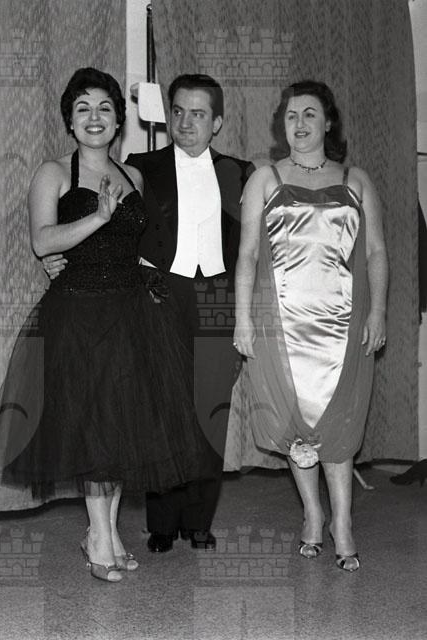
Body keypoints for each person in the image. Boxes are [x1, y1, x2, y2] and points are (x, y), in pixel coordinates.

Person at [0, 68, 213, 583]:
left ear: (118, 121)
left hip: (130, 315)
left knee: (119, 429)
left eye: (105, 108)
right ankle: (101, 539)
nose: (94, 117)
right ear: (69, 120)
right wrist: (97, 219)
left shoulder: (133, 177)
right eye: (83, 108)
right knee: (93, 429)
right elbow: (43, 241)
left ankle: (103, 534)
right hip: (78, 315)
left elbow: (138, 244)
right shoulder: (53, 173)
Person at [233, 80, 388, 572]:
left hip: (343, 325)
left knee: (339, 423)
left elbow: (376, 252)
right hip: (282, 325)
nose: (298, 124)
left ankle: (343, 522)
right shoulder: (264, 179)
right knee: (294, 423)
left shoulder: (356, 180)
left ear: (328, 123)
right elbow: (247, 254)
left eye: (309, 114)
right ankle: (313, 514)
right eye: (290, 115)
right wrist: (242, 319)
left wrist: (379, 311)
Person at [125, 74, 254, 552]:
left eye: (198, 114)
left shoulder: (241, 171)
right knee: (162, 408)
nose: (185, 122)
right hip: (162, 292)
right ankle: (162, 522)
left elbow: (256, 242)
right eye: (177, 111)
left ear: (216, 122)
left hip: (218, 295)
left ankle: (199, 520)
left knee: (210, 409)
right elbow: (116, 227)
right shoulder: (142, 166)